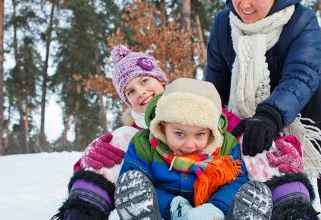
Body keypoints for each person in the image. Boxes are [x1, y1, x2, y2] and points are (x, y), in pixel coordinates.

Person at [205, 0, 321, 219]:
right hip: (241, 116)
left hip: (291, 113)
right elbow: (214, 88)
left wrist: (270, 114)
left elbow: (302, 74)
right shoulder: (224, 24)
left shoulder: (301, 20)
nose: (244, 5)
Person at [114, 78, 273, 220]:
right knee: (136, 192)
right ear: (162, 126)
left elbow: (237, 180)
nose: (190, 145)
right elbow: (135, 183)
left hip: (212, 210)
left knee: (236, 196)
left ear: (212, 132)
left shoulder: (225, 146)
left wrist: (215, 208)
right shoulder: (144, 144)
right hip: (165, 211)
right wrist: (175, 207)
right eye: (179, 133)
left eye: (199, 134)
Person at [52, 44, 168, 220]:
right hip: (157, 205)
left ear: (161, 79)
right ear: (127, 100)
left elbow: (225, 126)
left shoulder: (196, 104)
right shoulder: (129, 135)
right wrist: (86, 163)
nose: (141, 92)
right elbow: (96, 169)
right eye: (131, 91)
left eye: (144, 81)